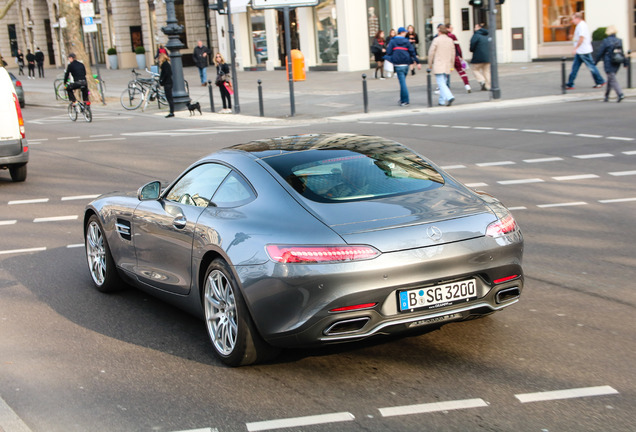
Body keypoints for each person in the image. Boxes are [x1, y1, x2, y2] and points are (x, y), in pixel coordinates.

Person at [565, 12, 605, 90]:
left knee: (591, 67)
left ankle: (600, 81)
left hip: (583, 51)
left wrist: (576, 48)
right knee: (576, 67)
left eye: (573, 19)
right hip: (581, 51)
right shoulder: (580, 25)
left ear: (577, 18)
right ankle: (570, 83)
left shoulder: (581, 26)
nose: (572, 21)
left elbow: (581, 38)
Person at [384, 27, 420, 106]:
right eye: (405, 32)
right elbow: (412, 52)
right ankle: (402, 99)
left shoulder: (393, 41)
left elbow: (388, 52)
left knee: (402, 83)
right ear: (402, 32)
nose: (406, 33)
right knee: (402, 82)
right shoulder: (406, 41)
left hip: (398, 64)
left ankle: (405, 100)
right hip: (406, 64)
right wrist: (417, 62)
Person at [594, 26, 627, 102]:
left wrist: (595, 61)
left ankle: (620, 94)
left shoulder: (606, 41)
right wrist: (625, 63)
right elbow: (622, 52)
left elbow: (600, 52)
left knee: (612, 78)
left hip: (609, 62)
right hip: (617, 62)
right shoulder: (619, 40)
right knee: (611, 78)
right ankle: (606, 96)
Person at [428, 24, 455, 106]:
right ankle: (441, 100)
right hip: (447, 64)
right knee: (444, 81)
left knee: (440, 82)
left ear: (439, 31)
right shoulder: (450, 40)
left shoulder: (436, 40)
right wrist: (452, 65)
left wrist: (430, 64)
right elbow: (453, 53)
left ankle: (449, 96)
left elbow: (431, 52)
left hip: (439, 63)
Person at [447, 23, 471, 93]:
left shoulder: (444, 36)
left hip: (448, 57)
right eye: (451, 28)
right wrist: (460, 55)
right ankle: (467, 85)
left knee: (446, 72)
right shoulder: (452, 36)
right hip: (455, 56)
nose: (452, 29)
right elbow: (457, 46)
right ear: (447, 28)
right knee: (461, 71)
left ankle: (442, 87)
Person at [470, 23, 490, 91]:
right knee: (486, 71)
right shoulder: (487, 35)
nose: (474, 28)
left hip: (478, 56)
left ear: (478, 27)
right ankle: (488, 86)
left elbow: (472, 45)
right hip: (488, 56)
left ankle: (482, 81)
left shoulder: (476, 35)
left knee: (475, 69)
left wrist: (471, 50)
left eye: (475, 27)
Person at [158, 53, 174, 117]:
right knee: (169, 98)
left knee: (169, 98)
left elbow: (166, 74)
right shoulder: (166, 64)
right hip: (168, 82)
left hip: (167, 83)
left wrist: (162, 80)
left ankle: (171, 112)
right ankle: (171, 111)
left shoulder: (165, 65)